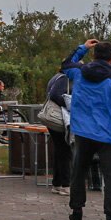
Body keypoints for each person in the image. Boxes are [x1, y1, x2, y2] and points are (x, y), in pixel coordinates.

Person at [61, 39, 111, 220]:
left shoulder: (79, 72)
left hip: (83, 132)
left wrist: (82, 48)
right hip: (109, 135)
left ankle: (76, 212)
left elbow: (65, 64)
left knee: (78, 171)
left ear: (93, 56)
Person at [44, 63, 72, 196]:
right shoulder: (64, 79)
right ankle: (66, 184)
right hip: (60, 119)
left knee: (59, 150)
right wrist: (69, 102)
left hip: (53, 120)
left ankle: (57, 183)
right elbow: (55, 95)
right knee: (65, 151)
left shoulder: (56, 77)